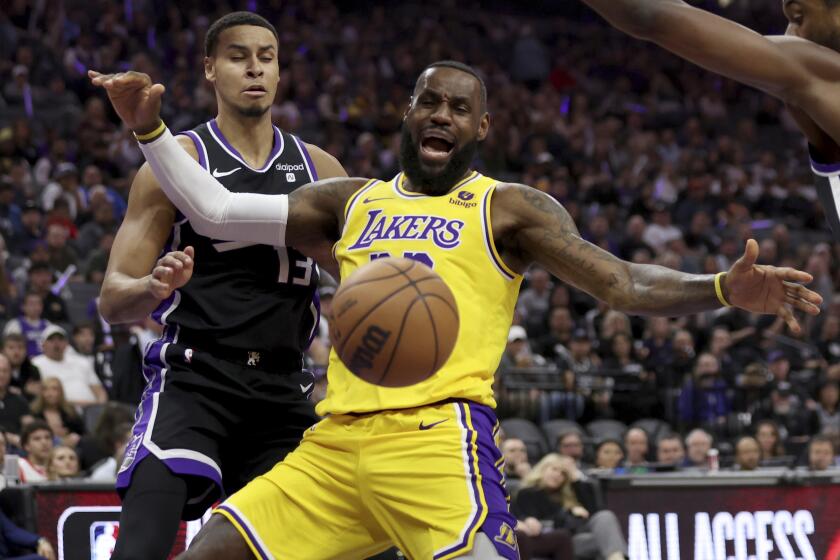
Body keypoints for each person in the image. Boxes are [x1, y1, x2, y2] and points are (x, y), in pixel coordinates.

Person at [91, 59, 821, 560]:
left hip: (436, 439)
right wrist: (150, 131)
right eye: (430, 102)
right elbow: (215, 207)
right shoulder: (352, 202)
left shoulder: (509, 209)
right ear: (408, 114)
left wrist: (721, 288)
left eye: (459, 109)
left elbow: (621, 283)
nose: (442, 115)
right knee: (212, 552)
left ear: (481, 129)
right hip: (335, 445)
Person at [91, 12, 348, 560]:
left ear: (279, 72)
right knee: (139, 546)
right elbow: (112, 300)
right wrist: (152, 288)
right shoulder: (179, 160)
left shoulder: (321, 169)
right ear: (210, 69)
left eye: (266, 57)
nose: (254, 69)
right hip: (194, 379)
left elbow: (357, 274)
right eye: (238, 56)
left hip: (284, 391)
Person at [580, 0, 840, 240]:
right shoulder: (820, 81)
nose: (789, 19)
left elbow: (648, 14)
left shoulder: (824, 76)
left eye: (795, 15)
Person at [513, 454, 628, 560]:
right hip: (556, 540)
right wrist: (568, 512)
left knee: (605, 516)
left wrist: (575, 478)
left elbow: (593, 513)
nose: (558, 475)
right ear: (542, 469)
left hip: (578, 536)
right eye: (554, 469)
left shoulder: (568, 492)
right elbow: (540, 523)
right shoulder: (528, 493)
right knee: (605, 543)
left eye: (563, 473)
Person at [30, 326, 106, 408]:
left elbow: (99, 390)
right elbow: (36, 393)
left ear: (66, 343)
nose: (56, 343)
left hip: (92, 409)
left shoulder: (81, 362)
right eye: (51, 340)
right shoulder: (35, 364)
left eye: (60, 339)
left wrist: (101, 406)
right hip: (62, 410)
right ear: (43, 344)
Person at [30, 377, 85, 447]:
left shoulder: (70, 411)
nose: (50, 394)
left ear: (61, 392)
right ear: (41, 393)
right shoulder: (34, 412)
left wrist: (73, 436)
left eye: (54, 389)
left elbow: (82, 432)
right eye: (46, 389)